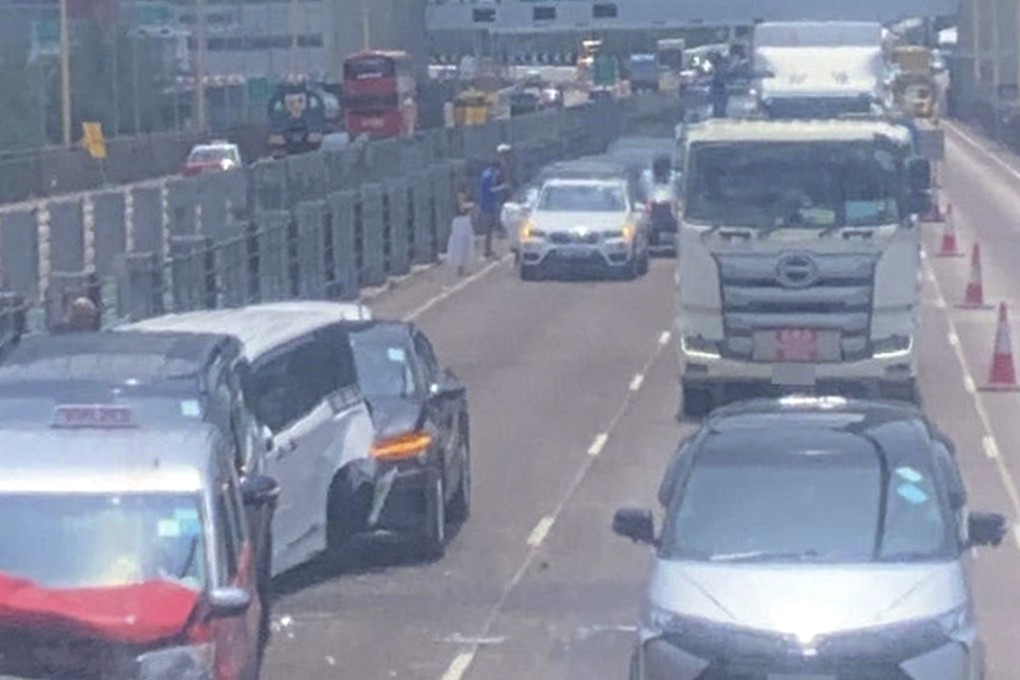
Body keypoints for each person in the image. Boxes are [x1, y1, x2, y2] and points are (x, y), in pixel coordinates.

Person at [476, 158, 509, 259]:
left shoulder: (490, 174)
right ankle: (487, 250)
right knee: (488, 228)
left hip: (490, 204)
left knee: (490, 228)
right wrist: (502, 187)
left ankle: (488, 249)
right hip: (486, 205)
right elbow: (490, 190)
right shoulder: (488, 176)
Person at [447, 197, 476, 277]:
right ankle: (459, 268)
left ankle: (463, 267)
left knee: (466, 245)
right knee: (459, 245)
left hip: (465, 221)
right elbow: (462, 209)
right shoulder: (455, 203)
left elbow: (470, 207)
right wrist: (470, 206)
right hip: (459, 223)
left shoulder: (464, 201)